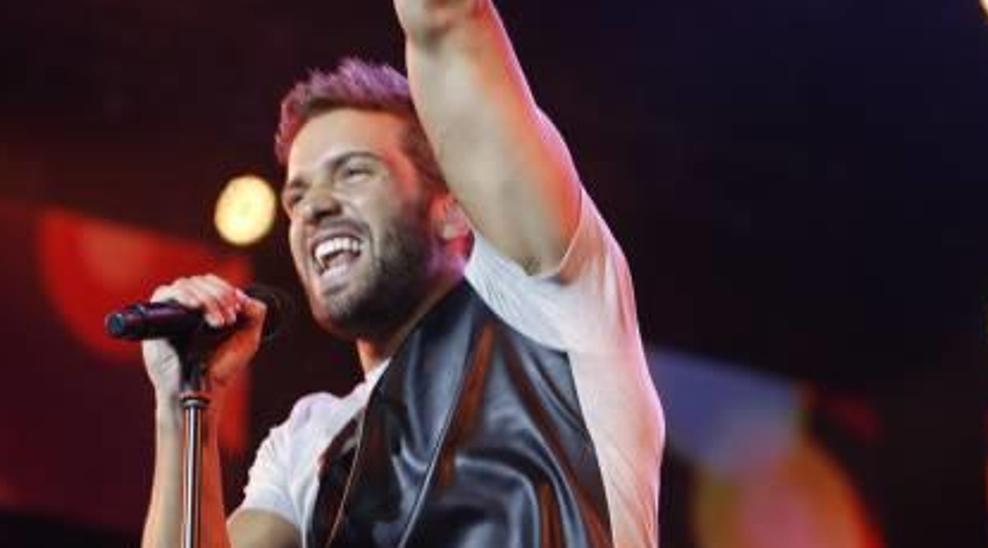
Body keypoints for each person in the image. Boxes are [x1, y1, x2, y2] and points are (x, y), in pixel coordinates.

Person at [139, 1, 663, 546]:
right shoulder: (307, 440)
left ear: (453, 205)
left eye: (354, 172)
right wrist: (183, 404)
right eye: (297, 196)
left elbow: (449, 19)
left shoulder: (543, 298)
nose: (314, 207)